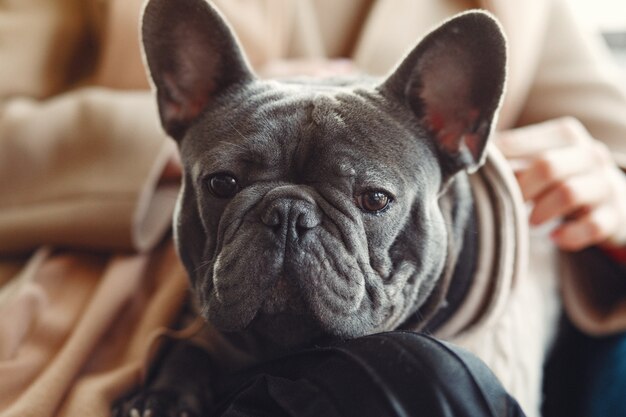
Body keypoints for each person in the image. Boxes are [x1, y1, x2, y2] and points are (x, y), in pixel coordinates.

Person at [0, 0, 625, 416]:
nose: (294, 226)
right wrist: (221, 123)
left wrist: (613, 190)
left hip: (426, 320)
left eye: (371, 199)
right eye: (225, 184)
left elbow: (615, 146)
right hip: (135, 298)